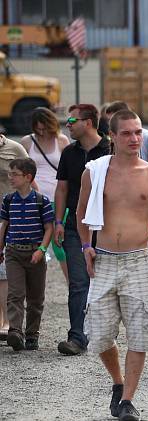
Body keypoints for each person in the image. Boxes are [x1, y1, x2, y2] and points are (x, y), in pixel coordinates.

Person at [76, 109, 148, 421]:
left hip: (139, 260)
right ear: (113, 136)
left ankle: (128, 400)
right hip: (104, 258)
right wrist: (85, 247)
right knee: (100, 335)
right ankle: (118, 381)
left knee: (140, 333)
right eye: (127, 133)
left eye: (137, 132)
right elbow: (80, 213)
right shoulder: (94, 172)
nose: (134, 138)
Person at [54, 103, 111, 356]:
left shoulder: (111, 150)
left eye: (71, 120)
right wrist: (58, 221)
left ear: (88, 122)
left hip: (108, 227)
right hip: (76, 227)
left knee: (107, 284)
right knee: (78, 283)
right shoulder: (68, 153)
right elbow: (62, 189)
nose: (68, 124)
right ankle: (77, 337)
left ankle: (105, 335)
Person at [0, 158, 53, 351]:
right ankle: (15, 331)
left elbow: (49, 228)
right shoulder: (8, 200)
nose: (10, 178)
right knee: (15, 293)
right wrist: (0, 249)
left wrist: (42, 249)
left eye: (15, 174)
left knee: (35, 297)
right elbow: (4, 226)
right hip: (13, 251)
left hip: (35, 253)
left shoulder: (42, 201)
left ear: (28, 177)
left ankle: (32, 333)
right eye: (10, 174)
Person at [21, 108, 69, 283]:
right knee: (33, 243)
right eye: (38, 129)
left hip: (58, 198)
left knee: (60, 245)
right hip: (35, 198)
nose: (41, 132)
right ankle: (31, 285)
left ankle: (72, 286)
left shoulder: (62, 141)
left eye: (45, 128)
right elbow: (22, 169)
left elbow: (69, 170)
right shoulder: (27, 142)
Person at [0, 129, 30, 340]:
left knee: (4, 271)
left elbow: (29, 175)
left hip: (7, 215)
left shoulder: (14, 148)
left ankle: (8, 322)